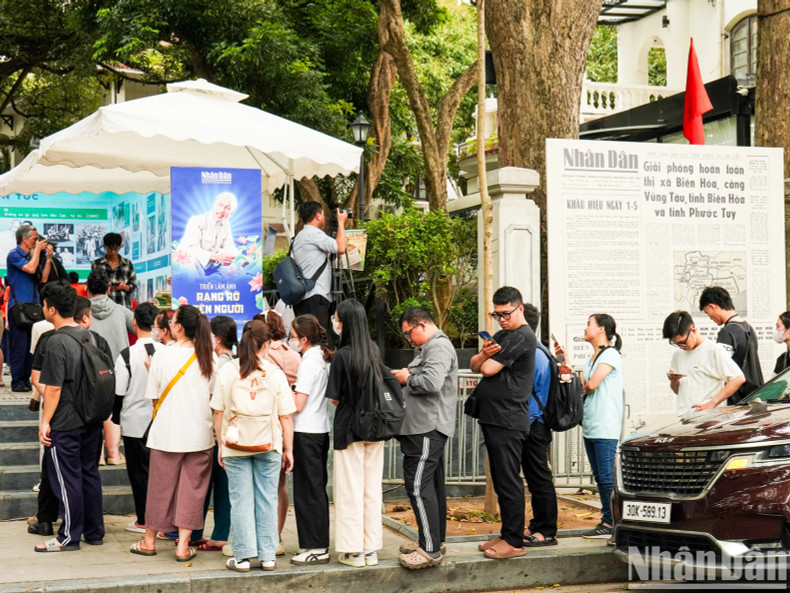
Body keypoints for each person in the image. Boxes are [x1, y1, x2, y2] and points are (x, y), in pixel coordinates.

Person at [129, 305, 215, 563]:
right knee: (193, 490)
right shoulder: (208, 356)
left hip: (166, 433)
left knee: (160, 488)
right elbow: (213, 396)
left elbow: (154, 397)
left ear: (177, 327)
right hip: (200, 435)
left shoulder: (162, 355)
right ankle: (183, 546)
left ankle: (149, 541)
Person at [211, 320, 295, 573]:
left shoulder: (228, 370)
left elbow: (218, 412)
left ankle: (243, 557)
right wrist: (288, 449)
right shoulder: (275, 373)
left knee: (240, 501)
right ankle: (268, 557)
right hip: (269, 444)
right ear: (266, 344)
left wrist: (220, 445)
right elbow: (286, 417)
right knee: (268, 499)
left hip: (235, 444)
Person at [34, 283, 104, 552]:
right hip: (91, 416)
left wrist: (45, 422)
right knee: (89, 474)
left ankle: (68, 536)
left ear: (51, 309)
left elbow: (53, 388)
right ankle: (94, 532)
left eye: (44, 305)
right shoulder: (90, 336)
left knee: (67, 478)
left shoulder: (56, 341)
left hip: (65, 420)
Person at [469, 286, 536, 560]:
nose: (502, 320)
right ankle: (507, 533)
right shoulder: (503, 336)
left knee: (509, 481)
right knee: (500, 479)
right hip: (495, 417)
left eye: (506, 313)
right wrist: (484, 353)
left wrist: (486, 357)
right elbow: (475, 364)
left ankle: (514, 540)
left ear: (520, 309)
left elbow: (487, 369)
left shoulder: (522, 336)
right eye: (497, 315)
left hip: (508, 418)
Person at [392, 307, 458, 569]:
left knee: (419, 487)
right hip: (424, 426)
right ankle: (432, 541)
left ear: (421, 325)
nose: (408, 339)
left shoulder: (438, 346)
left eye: (408, 333)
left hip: (427, 428)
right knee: (430, 487)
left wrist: (408, 377)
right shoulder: (429, 347)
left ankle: (429, 550)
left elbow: (431, 383)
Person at [326, 299, 385, 568]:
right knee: (371, 490)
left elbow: (334, 398)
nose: (334, 322)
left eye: (337, 318)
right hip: (375, 428)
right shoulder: (373, 350)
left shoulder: (342, 356)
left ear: (346, 322)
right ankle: (370, 548)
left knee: (349, 489)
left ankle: (353, 551)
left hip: (349, 428)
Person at [564, 314, 624, 541]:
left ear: (601, 329)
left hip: (605, 424)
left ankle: (614, 523)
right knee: (600, 477)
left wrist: (581, 382)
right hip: (592, 423)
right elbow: (584, 383)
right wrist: (568, 365)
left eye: (589, 324)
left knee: (607, 477)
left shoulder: (610, 354)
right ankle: (608, 520)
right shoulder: (594, 357)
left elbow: (590, 385)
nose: (585, 328)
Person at [113, 303, 163, 535]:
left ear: (134, 323)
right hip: (161, 421)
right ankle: (163, 520)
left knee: (139, 474)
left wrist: (115, 417)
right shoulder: (166, 352)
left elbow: (119, 392)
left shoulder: (126, 355)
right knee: (162, 473)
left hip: (134, 422)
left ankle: (143, 520)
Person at [289, 314, 333, 566]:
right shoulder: (323, 358)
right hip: (320, 429)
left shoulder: (308, 363)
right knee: (315, 489)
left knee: (307, 491)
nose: (292, 340)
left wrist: (283, 394)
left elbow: (298, 404)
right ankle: (314, 543)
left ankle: (316, 546)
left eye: (293, 336)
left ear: (304, 339)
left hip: (305, 430)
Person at [189, 315, 236, 552]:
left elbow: (217, 404)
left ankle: (209, 535)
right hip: (224, 434)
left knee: (208, 486)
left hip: (216, 433)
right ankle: (212, 533)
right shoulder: (232, 362)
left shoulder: (221, 365)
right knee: (219, 487)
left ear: (216, 339)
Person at [259, 308, 301, 555]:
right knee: (280, 484)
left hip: (262, 424)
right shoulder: (294, 356)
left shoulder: (260, 357)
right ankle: (276, 536)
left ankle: (261, 536)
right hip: (286, 424)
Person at [520, 303, 557, 547]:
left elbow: (532, 390)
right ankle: (538, 525)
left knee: (539, 478)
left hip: (535, 423)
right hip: (533, 422)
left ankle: (546, 530)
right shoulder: (537, 349)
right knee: (535, 478)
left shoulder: (535, 352)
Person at [87, 270, 133, 466]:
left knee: (93, 410)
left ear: (87, 290)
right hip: (117, 370)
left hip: (90, 370)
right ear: (108, 289)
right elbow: (142, 327)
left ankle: (97, 455)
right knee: (113, 410)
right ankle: (113, 453)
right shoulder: (121, 311)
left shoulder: (82, 312)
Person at [663, 311, 745, 416]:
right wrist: (673, 381)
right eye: (676, 343)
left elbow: (738, 378)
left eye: (683, 342)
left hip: (709, 418)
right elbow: (679, 392)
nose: (681, 346)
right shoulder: (678, 355)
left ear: (693, 330)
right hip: (685, 417)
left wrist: (713, 403)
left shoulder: (714, 350)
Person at [699, 286, 763, 404]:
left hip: (735, 399)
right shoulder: (748, 328)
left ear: (713, 306)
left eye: (708, 313)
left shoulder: (727, 332)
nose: (710, 318)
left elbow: (720, 368)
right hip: (753, 396)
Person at [7, 224, 51, 392]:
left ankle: (26, 379)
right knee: (19, 346)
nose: (37, 241)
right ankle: (17, 381)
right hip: (19, 307)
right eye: (34, 238)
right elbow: (30, 269)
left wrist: (48, 259)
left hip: (34, 306)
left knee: (31, 346)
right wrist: (38, 251)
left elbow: (43, 279)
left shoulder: (32, 256)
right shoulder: (14, 254)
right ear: (24, 239)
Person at [291, 202, 347, 334]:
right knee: (318, 337)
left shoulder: (300, 235)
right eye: (323, 214)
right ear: (317, 215)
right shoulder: (314, 234)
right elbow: (341, 248)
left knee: (308, 336)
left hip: (304, 296)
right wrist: (341, 222)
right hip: (315, 295)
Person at [178, 192, 239, 277]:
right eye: (220, 205)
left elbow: (229, 245)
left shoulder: (226, 224)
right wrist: (215, 257)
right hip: (194, 263)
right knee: (191, 260)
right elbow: (190, 249)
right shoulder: (196, 220)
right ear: (214, 205)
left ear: (231, 213)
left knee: (235, 270)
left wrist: (230, 255)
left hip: (213, 264)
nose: (222, 210)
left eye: (227, 208)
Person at [91, 232, 137, 309]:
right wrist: (104, 285)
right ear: (104, 246)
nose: (113, 252)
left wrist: (124, 286)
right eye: (110, 249)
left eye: (115, 249)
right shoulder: (97, 264)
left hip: (123, 305)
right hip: (103, 307)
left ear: (120, 246)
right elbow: (93, 286)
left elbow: (133, 285)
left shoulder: (127, 263)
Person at [773, 311, 790, 376]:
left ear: (788, 330)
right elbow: (774, 381)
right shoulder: (782, 359)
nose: (776, 330)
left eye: (778, 326)